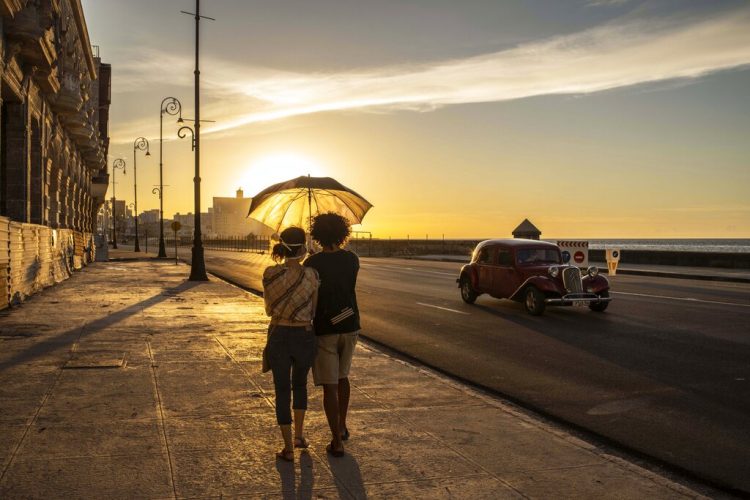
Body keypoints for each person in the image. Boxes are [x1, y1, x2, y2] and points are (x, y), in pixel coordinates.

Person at [304, 213, 360, 457]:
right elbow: (347, 287)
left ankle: (336, 441)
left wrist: (311, 257)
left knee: (329, 385)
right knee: (343, 376)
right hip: (349, 323)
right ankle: (343, 425)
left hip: (325, 327)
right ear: (343, 233)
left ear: (317, 235)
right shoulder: (352, 259)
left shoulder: (312, 264)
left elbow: (310, 295)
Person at [263, 227, 319, 462]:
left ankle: (287, 448)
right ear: (303, 248)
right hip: (304, 335)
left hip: (278, 334)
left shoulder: (269, 273)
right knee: (300, 385)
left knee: (282, 390)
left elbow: (267, 309)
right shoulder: (312, 275)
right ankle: (299, 436)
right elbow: (313, 311)